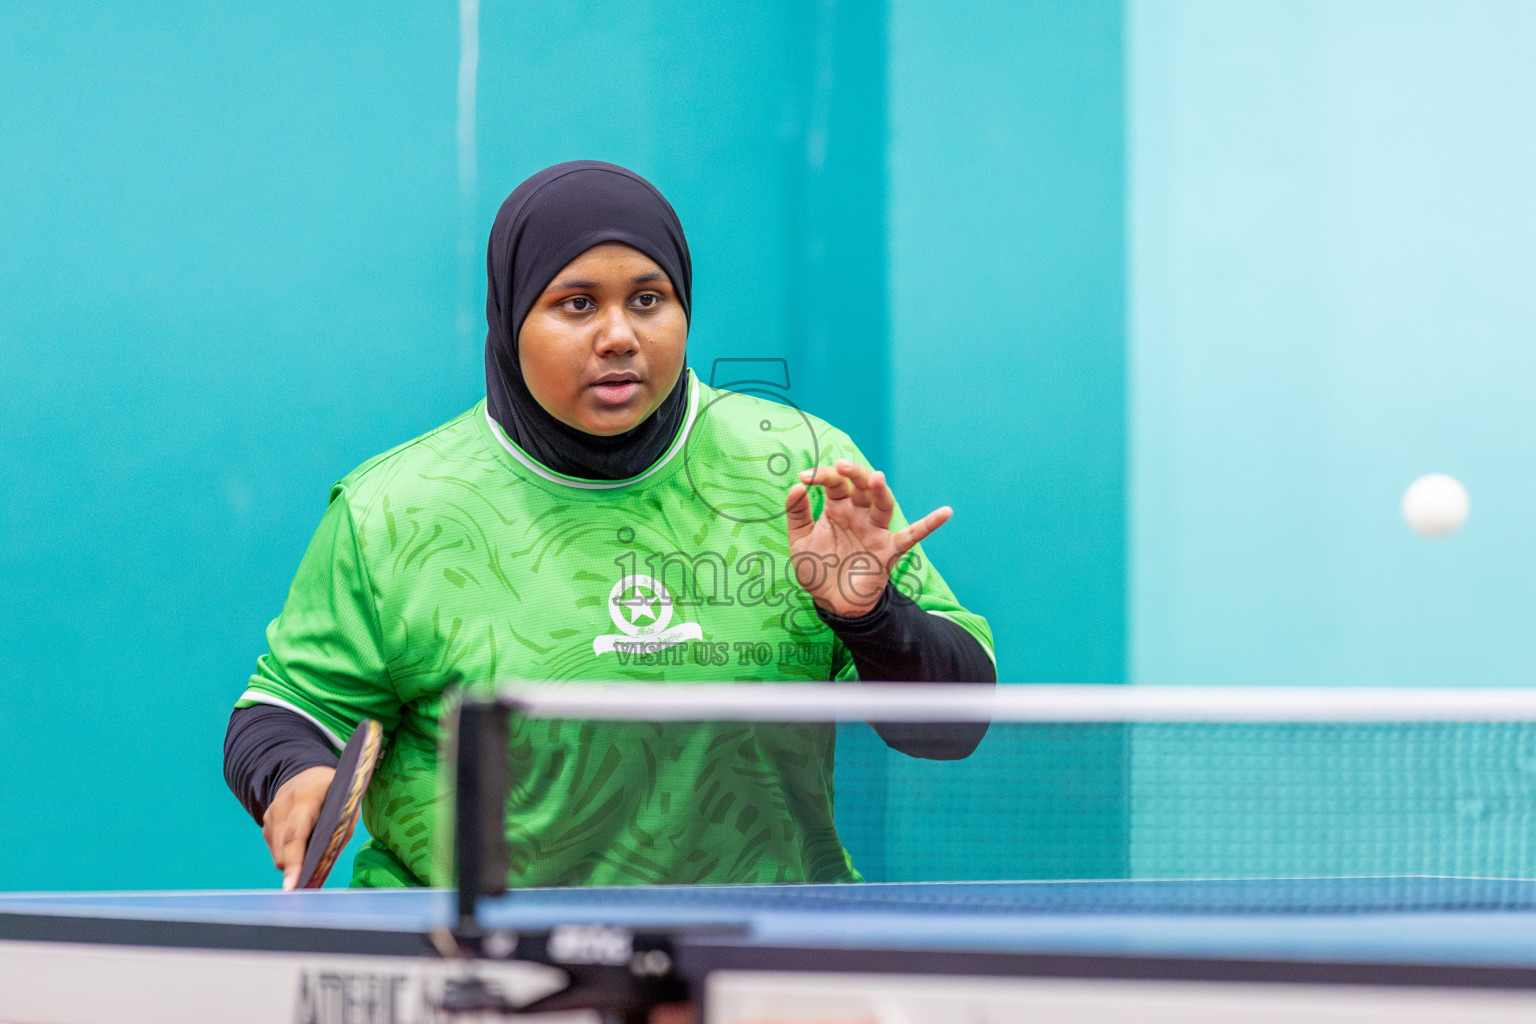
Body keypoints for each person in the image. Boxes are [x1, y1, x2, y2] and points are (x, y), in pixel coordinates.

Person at [224, 160, 995, 890]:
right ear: (511, 314)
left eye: (649, 299)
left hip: (761, 947)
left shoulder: (799, 467)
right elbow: (286, 711)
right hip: (472, 952)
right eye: (578, 303)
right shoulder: (395, 509)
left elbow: (950, 729)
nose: (620, 334)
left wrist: (866, 615)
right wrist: (297, 777)